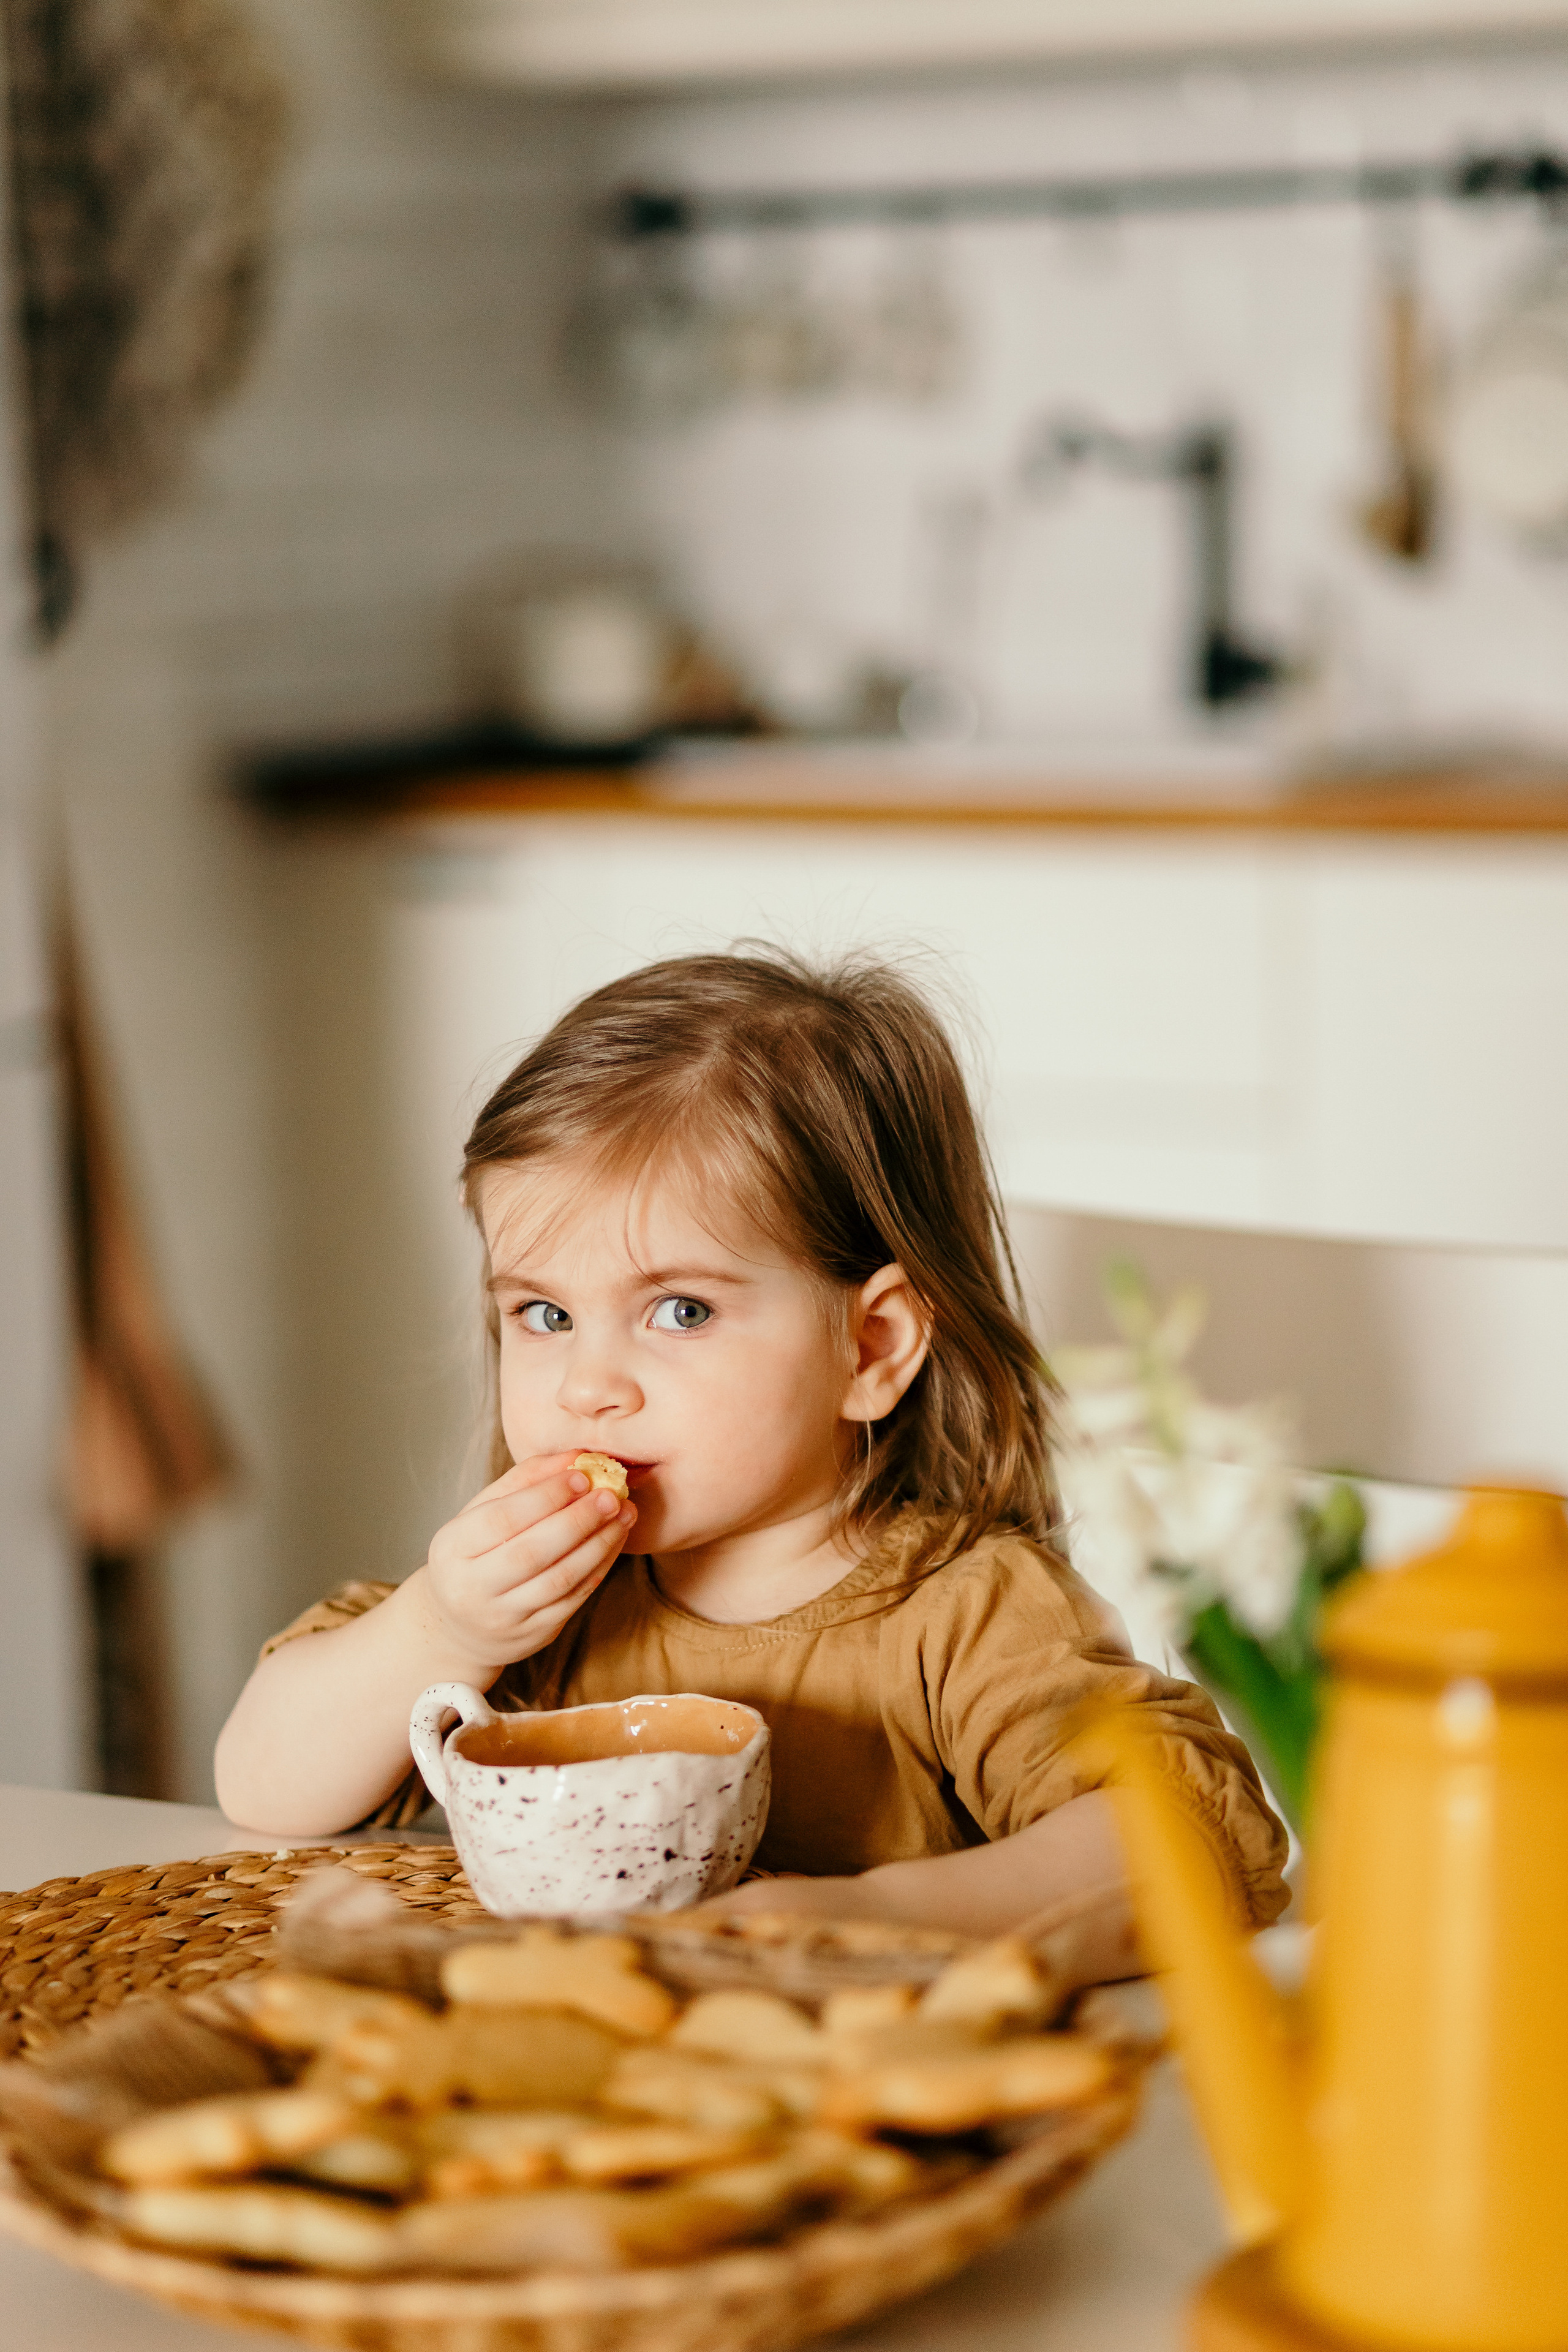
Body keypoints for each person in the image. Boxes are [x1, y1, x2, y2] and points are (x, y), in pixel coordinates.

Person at [216, 951, 1287, 1985]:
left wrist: (876, 1917)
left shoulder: (967, 1613)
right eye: (544, 1315)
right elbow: (262, 1787)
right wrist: (443, 1629)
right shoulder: (545, 1614)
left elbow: (1195, 1842)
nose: (589, 1386)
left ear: (868, 1349)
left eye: (680, 1311)